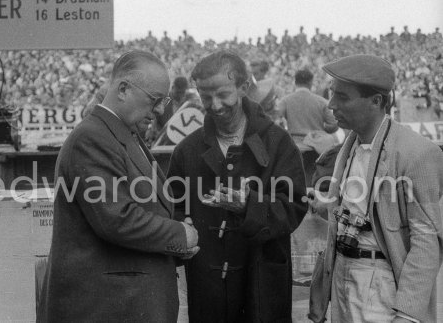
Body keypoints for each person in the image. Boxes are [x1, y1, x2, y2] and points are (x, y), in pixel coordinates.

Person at [38, 50, 199, 323]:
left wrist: (178, 245)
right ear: (123, 89)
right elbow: (117, 219)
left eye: (165, 100)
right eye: (154, 99)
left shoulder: (120, 134)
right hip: (108, 308)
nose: (160, 110)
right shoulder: (92, 139)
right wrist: (179, 235)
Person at [168, 50, 308, 322]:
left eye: (223, 95)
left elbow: (294, 206)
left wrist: (249, 206)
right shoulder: (187, 150)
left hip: (262, 282)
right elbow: (173, 206)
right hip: (208, 287)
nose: (215, 105)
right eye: (205, 97)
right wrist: (180, 228)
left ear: (244, 87)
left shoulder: (278, 143)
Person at [309, 54, 443, 323]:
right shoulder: (350, 145)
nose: (332, 105)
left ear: (376, 101)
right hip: (342, 275)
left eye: (343, 97)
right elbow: (364, 211)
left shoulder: (417, 153)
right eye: (332, 94)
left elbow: (427, 239)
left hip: (382, 284)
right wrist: (327, 206)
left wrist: (407, 313)